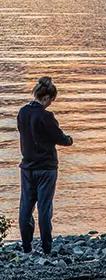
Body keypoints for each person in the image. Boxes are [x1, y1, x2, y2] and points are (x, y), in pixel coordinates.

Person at [17, 76, 73, 254]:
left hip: (27, 167)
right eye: (51, 100)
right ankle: (46, 247)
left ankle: (27, 246)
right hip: (46, 168)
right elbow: (59, 138)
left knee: (26, 207)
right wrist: (69, 140)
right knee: (44, 208)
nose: (51, 104)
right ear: (47, 98)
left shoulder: (22, 113)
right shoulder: (46, 116)